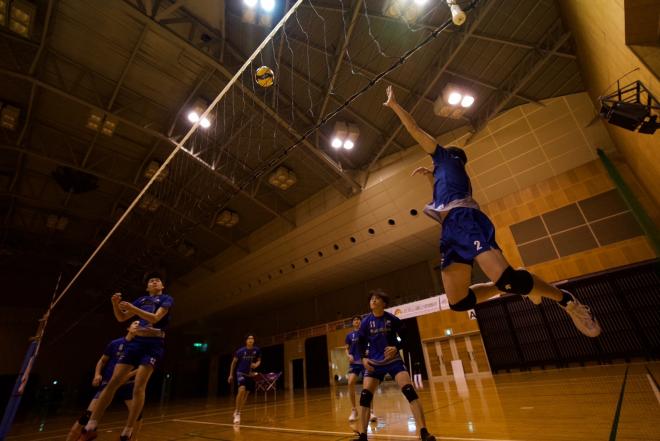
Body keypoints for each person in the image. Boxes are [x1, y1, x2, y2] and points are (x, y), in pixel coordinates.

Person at [383, 85, 601, 338]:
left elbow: (415, 130)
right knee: (459, 302)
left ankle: (566, 301)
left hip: (465, 222)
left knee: (508, 279)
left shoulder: (445, 158)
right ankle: (516, 286)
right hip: (450, 230)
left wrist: (395, 105)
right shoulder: (448, 177)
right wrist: (430, 178)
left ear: (450, 156)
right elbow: (442, 203)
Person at [78, 272, 174, 441]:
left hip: (154, 344)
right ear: (147, 287)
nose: (154, 281)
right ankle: (91, 426)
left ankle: (127, 431)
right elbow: (121, 317)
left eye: (157, 280)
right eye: (151, 281)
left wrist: (132, 309)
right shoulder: (141, 300)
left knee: (139, 386)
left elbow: (155, 318)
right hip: (136, 343)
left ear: (162, 286)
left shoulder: (166, 299)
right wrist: (115, 304)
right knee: (114, 382)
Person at [353, 290, 436, 441]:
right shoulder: (365, 322)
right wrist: (364, 358)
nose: (373, 301)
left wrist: (396, 347)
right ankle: (363, 435)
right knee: (365, 396)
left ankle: (424, 431)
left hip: (393, 361)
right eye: (371, 299)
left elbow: (406, 338)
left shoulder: (392, 319)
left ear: (384, 303)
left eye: (377, 299)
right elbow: (360, 342)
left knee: (409, 390)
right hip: (374, 362)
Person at [66, 321, 142, 441]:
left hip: (126, 385)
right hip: (109, 383)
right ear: (128, 327)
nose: (138, 325)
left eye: (140, 325)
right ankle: (73, 437)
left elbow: (143, 368)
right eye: (135, 323)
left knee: (138, 415)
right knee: (86, 416)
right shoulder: (115, 343)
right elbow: (102, 361)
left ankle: (132, 438)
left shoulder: (140, 347)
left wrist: (127, 375)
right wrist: (97, 374)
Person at [345, 316, 377, 423]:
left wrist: (368, 351)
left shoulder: (365, 333)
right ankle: (354, 410)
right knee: (350, 383)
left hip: (365, 362)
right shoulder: (349, 335)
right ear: (353, 323)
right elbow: (346, 348)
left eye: (358, 319)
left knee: (367, 387)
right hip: (354, 363)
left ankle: (371, 411)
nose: (356, 321)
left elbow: (371, 344)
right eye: (354, 320)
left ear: (361, 322)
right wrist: (348, 355)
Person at [228, 334, 261, 424]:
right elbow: (233, 363)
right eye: (249, 338)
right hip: (240, 373)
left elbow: (259, 360)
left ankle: (237, 410)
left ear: (253, 341)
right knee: (241, 390)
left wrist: (256, 364)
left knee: (245, 396)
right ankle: (238, 414)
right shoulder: (240, 351)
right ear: (246, 341)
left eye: (252, 338)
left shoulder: (256, 350)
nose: (251, 340)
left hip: (250, 375)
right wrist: (231, 375)